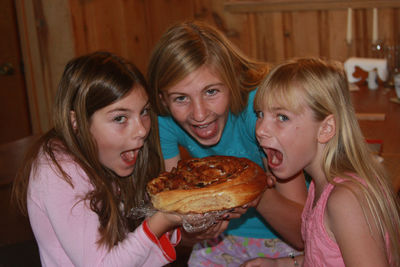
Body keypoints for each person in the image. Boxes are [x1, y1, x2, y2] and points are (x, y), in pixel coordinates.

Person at [147, 20, 307, 266]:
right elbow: (177, 216)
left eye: (211, 92)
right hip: (220, 241)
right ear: (164, 100)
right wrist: (194, 230)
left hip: (284, 239)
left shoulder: (260, 112)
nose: (199, 114)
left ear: (232, 80)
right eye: (181, 98)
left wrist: (256, 193)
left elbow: (302, 234)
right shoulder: (164, 121)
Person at [12, 51, 186, 266]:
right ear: (76, 121)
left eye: (144, 112)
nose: (141, 130)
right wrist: (160, 222)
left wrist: (183, 224)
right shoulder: (58, 171)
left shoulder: (108, 156)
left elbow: (130, 254)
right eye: (120, 118)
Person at [243, 57, 400, 266]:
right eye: (260, 114)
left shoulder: (346, 200)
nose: (260, 129)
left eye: (282, 117)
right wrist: (279, 264)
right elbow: (326, 257)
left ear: (325, 129)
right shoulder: (320, 185)